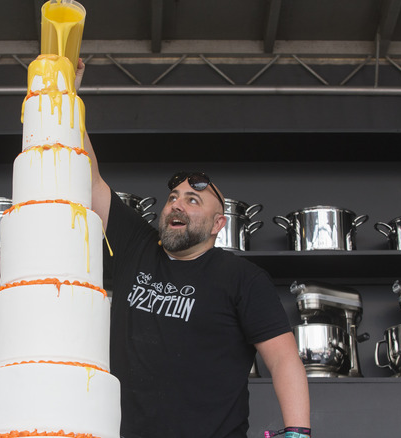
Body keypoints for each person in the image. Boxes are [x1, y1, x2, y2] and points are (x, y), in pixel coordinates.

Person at [75, 60, 311, 438]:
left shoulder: (243, 279)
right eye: (172, 197)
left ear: (219, 224)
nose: (177, 204)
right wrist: (70, 96)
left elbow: (283, 358)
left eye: (193, 200)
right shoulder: (137, 245)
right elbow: (90, 180)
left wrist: (298, 431)